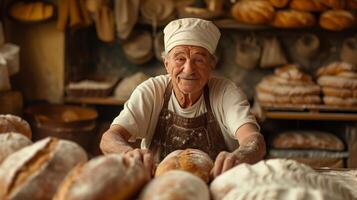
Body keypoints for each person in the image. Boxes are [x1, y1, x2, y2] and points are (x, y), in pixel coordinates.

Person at [100, 18, 266, 178]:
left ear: (211, 64)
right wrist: (128, 153)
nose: (188, 69)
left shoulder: (225, 92)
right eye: (180, 58)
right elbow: (110, 138)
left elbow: (253, 140)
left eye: (199, 60)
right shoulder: (151, 91)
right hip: (161, 187)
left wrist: (239, 156)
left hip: (216, 184)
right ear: (166, 64)